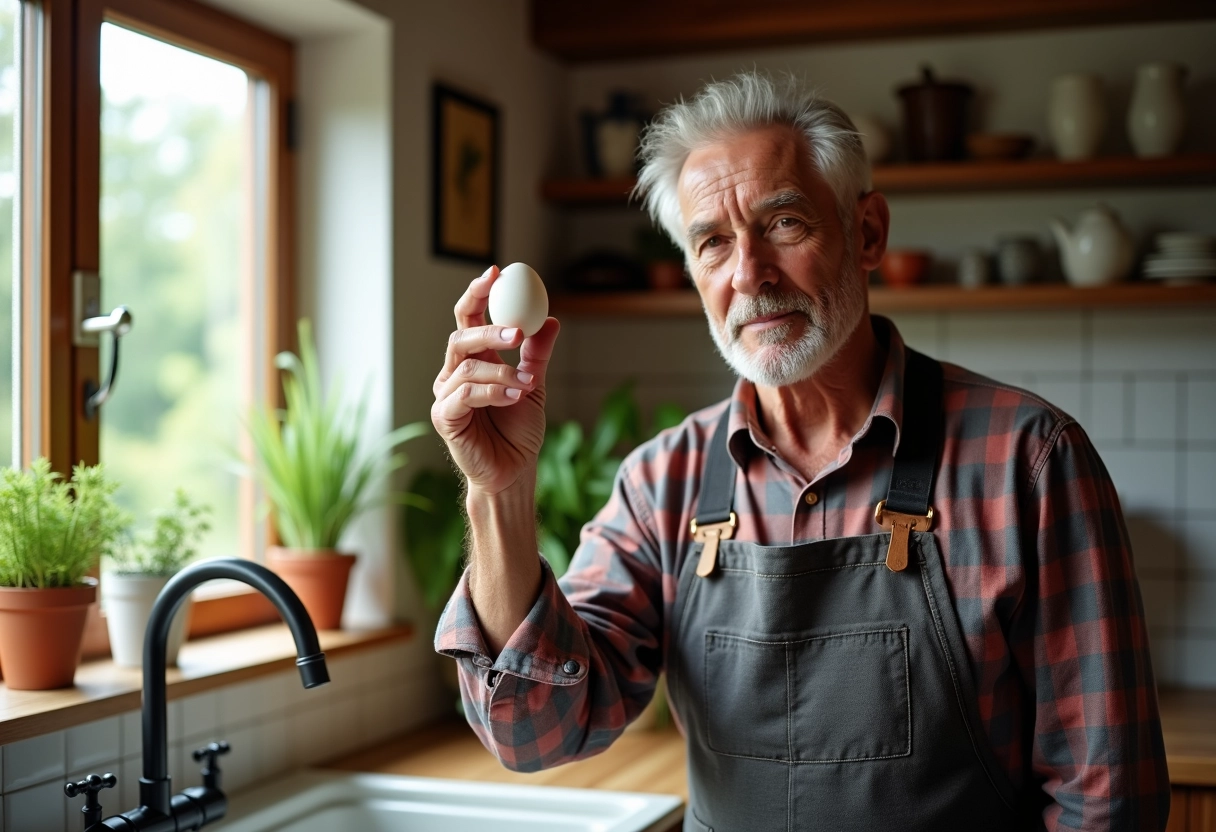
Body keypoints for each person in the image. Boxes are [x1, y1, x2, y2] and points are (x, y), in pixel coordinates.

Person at [431, 71, 1169, 831]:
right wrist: (499, 489)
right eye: (712, 242)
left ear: (868, 233)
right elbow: (534, 729)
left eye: (784, 223)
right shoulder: (663, 482)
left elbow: (1107, 801)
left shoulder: (1030, 462)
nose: (748, 274)